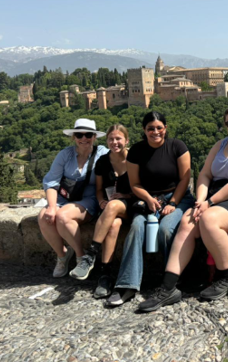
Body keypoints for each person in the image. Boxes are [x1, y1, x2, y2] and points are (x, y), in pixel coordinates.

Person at [137, 107, 228, 311]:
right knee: (188, 221)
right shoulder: (220, 144)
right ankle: (168, 287)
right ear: (226, 126)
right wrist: (201, 201)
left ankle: (226, 278)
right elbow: (204, 175)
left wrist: (210, 203)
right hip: (213, 197)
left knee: (209, 219)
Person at [111, 111, 196, 307]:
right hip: (148, 199)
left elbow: (185, 179)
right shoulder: (137, 152)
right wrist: (148, 199)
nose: (155, 132)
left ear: (165, 128)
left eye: (159, 128)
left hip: (178, 197)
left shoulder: (177, 147)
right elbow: (135, 184)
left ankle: (170, 283)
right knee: (136, 228)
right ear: (144, 130)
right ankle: (127, 285)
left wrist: (173, 203)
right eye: (151, 128)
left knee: (167, 229)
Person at [70, 125, 134, 300]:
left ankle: (90, 255)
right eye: (111, 139)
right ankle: (105, 277)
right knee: (113, 225)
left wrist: (126, 195)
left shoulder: (134, 159)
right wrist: (100, 201)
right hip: (111, 209)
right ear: (107, 141)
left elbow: (143, 187)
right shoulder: (103, 162)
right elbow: (98, 189)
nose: (115, 142)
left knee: (113, 206)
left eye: (119, 139)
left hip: (132, 206)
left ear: (126, 140)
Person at [39, 118, 109, 278]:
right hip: (65, 198)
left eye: (88, 134)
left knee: (63, 216)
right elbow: (51, 182)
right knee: (44, 216)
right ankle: (63, 255)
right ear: (74, 137)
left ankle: (80, 256)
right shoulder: (65, 155)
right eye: (79, 135)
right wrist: (51, 206)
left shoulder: (102, 154)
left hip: (89, 199)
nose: (84, 138)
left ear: (94, 137)